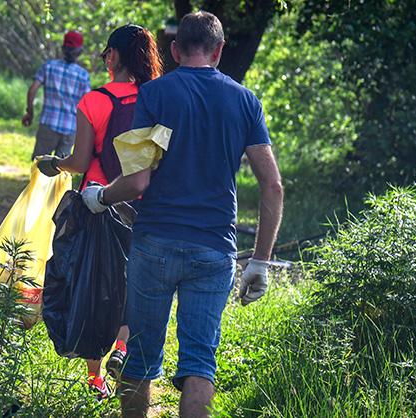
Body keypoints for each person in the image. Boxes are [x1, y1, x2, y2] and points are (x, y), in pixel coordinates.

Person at [79, 12, 284, 418]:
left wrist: (100, 196)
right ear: (220, 50)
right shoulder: (245, 101)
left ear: (174, 50)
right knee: (199, 363)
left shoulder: (156, 95)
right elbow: (273, 186)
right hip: (213, 250)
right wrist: (260, 261)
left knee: (139, 359)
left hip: (154, 243)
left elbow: (138, 182)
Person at [36, 24, 162, 400]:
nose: (105, 58)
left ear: (114, 56)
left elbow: (79, 160)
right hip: (140, 205)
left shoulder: (94, 101)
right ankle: (122, 348)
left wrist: (54, 164)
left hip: (96, 201)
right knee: (131, 282)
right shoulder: (153, 99)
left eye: (107, 52)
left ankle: (95, 378)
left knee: (92, 284)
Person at [22, 31, 91, 159]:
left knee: (39, 166)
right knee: (61, 172)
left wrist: (30, 113)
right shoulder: (83, 76)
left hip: (48, 125)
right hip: (70, 129)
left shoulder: (48, 67)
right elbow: (87, 106)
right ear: (80, 52)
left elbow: (32, 90)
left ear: (63, 49)